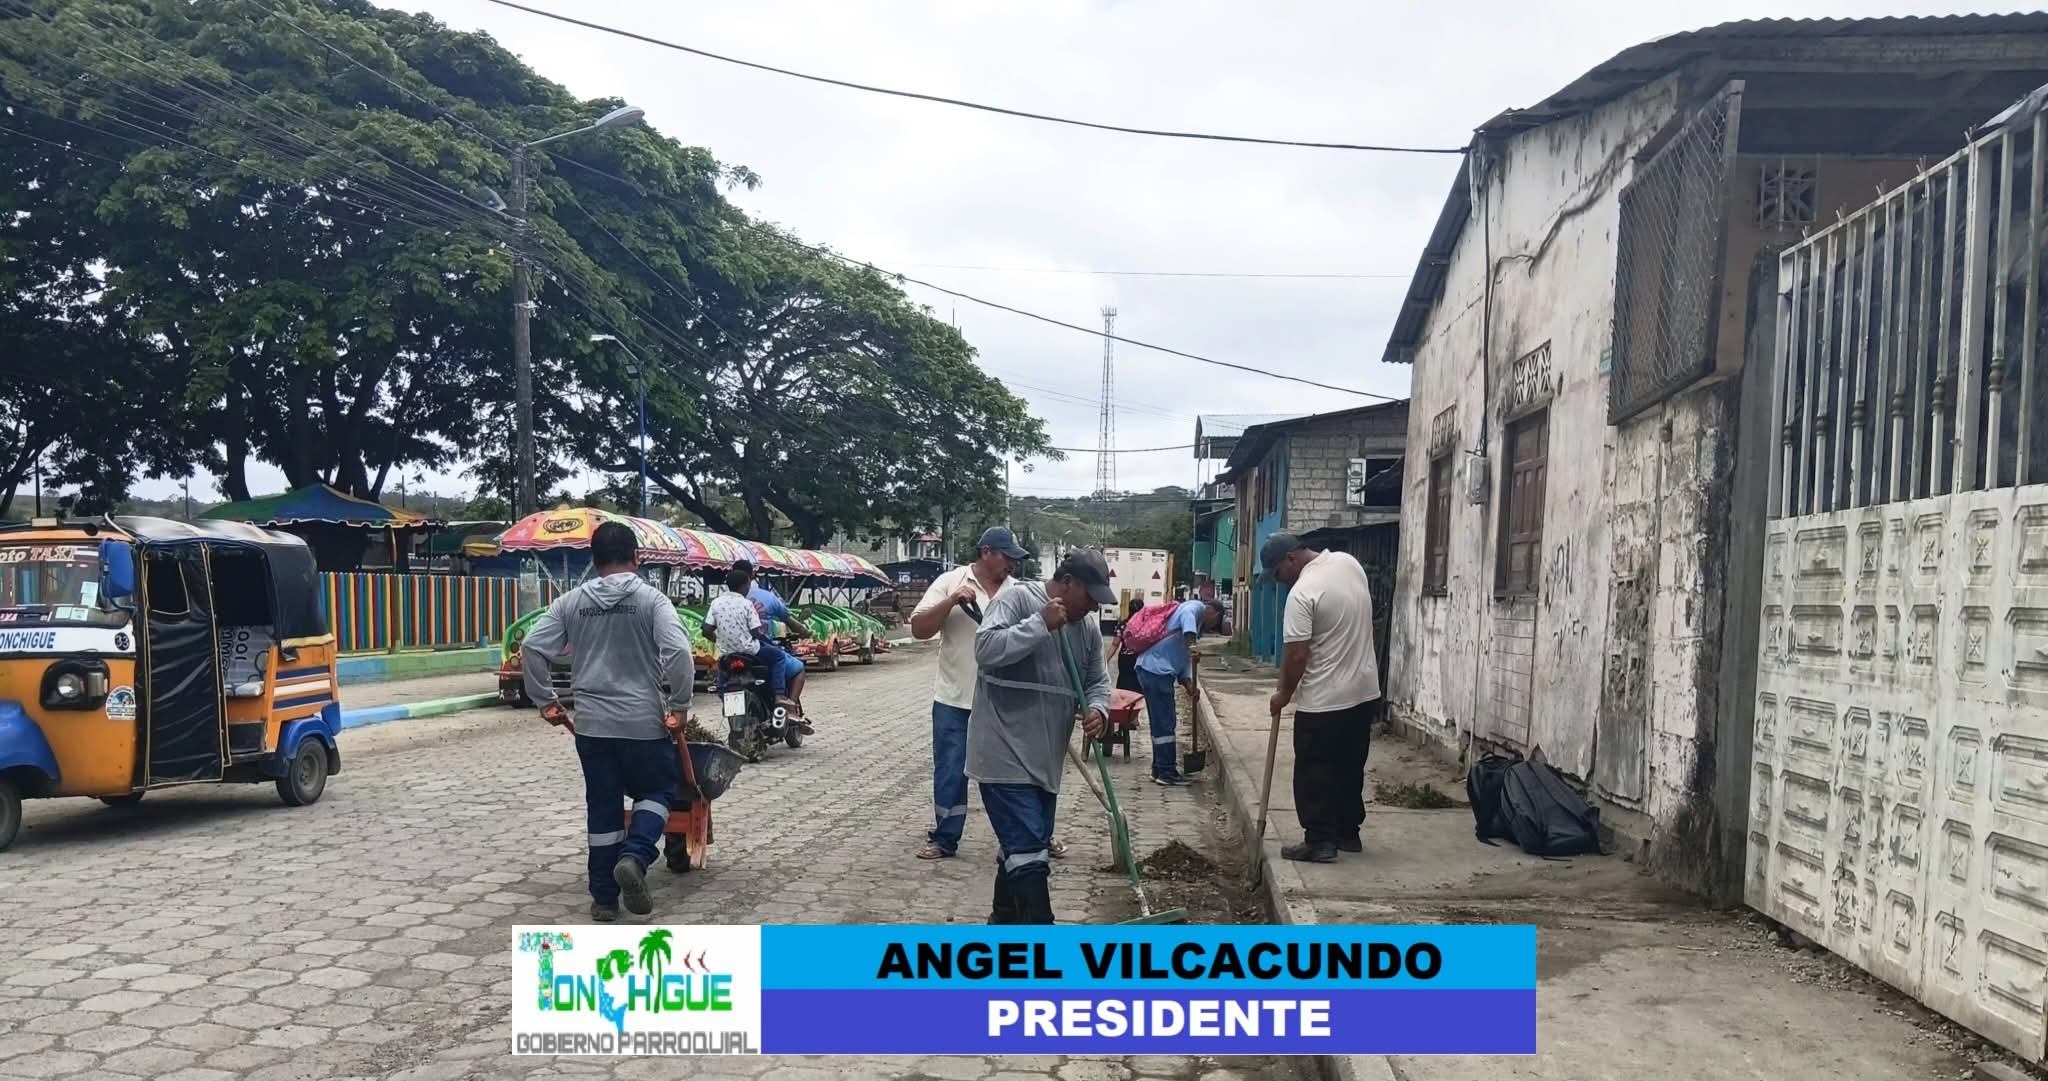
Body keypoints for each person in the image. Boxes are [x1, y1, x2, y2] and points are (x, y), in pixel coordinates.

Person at [521, 521, 692, 921]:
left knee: (603, 806)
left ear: (594, 560)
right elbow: (679, 652)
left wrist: (545, 700)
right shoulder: (653, 601)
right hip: (643, 723)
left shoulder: (570, 602)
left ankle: (603, 899)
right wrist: (680, 706)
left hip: (592, 727)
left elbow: (531, 646)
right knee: (658, 792)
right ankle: (635, 856)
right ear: (637, 558)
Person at [968, 549, 1116, 924]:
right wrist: (1039, 624)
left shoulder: (1086, 629)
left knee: (1020, 849)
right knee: (1030, 851)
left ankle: (1003, 923)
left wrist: (1098, 710)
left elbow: (1097, 681)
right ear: (1068, 582)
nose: (1094, 607)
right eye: (1090, 597)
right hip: (1003, 752)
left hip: (1045, 761)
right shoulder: (1018, 600)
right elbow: (985, 649)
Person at [1260, 533, 1382, 864]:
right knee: (1349, 766)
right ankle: (1347, 833)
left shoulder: (1302, 593)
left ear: (1291, 558)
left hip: (1324, 699)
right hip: (1364, 691)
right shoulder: (1348, 564)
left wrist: (1284, 694)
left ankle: (1319, 840)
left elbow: (1297, 655)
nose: (1279, 581)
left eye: (1277, 573)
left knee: (1314, 771)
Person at [909, 527, 1028, 861]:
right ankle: (945, 837)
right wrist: (951, 601)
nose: (1012, 564)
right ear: (986, 552)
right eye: (1007, 557)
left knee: (1012, 773)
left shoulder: (1019, 592)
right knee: (950, 771)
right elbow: (919, 629)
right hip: (954, 699)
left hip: (1004, 703)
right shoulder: (951, 581)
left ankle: (1027, 838)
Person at [1133, 595, 1225, 786]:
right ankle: (1166, 772)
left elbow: (1182, 661)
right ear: (1213, 614)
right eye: (1215, 623)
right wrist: (1192, 645)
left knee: (1160, 723)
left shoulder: (1192, 628)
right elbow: (1187, 617)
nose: (1211, 628)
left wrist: (1189, 686)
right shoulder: (1195, 608)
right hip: (1156, 670)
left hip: (1154, 670)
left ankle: (1159, 769)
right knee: (1165, 723)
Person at [703, 565, 799, 713]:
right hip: (750, 652)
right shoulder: (746, 604)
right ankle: (779, 695)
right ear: (744, 586)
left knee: (723, 679)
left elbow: (706, 630)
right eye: (748, 584)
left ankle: (725, 698)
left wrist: (720, 641)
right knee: (778, 656)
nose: (749, 588)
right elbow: (756, 631)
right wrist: (759, 638)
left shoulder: (716, 603)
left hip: (727, 654)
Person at [736, 561, 811, 723]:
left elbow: (708, 628)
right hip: (759, 651)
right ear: (752, 576)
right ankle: (788, 709)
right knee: (798, 668)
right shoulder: (767, 597)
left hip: (732, 653)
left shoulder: (721, 601)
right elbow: (789, 620)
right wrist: (805, 631)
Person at [1114, 597, 1145, 694]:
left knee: (1124, 682)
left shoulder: (1123, 624)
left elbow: (1115, 644)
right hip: (1140, 658)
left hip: (1124, 658)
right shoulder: (1145, 625)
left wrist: (1106, 660)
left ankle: (1123, 701)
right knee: (1138, 684)